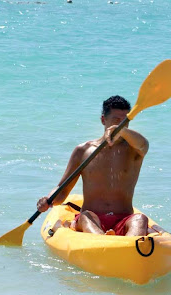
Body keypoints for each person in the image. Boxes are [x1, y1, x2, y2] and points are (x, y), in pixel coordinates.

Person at [36, 95, 151, 236]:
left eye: (125, 121)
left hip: (123, 219)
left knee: (140, 219)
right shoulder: (83, 151)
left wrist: (121, 130)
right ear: (103, 120)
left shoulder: (135, 150)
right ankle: (103, 241)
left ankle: (130, 245)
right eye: (116, 120)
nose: (120, 125)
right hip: (92, 219)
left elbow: (144, 145)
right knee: (86, 216)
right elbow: (62, 190)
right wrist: (48, 201)